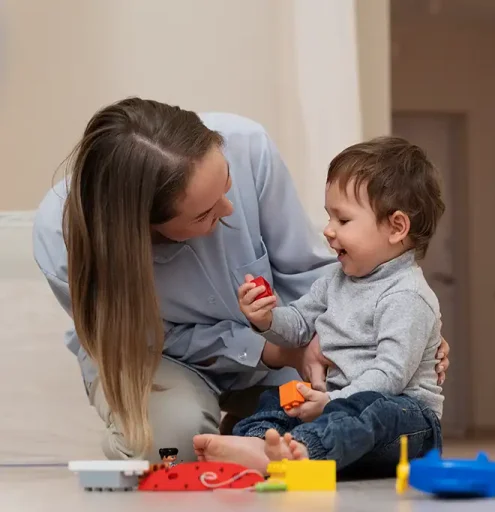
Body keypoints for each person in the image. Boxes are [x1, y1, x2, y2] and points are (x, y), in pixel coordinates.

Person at [31, 97, 451, 463]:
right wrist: (271, 347)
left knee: (323, 412)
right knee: (171, 448)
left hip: (298, 360)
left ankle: (253, 439)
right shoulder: (61, 239)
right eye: (204, 214)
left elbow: (311, 276)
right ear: (145, 227)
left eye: (227, 184)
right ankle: (241, 440)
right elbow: (144, 338)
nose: (229, 209)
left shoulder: (247, 144)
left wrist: (388, 334)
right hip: (155, 355)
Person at [193, 136, 445, 477]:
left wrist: (331, 403)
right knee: (279, 398)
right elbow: (299, 324)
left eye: (343, 220)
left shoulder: (407, 295)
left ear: (396, 227)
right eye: (329, 218)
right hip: (338, 404)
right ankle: (258, 442)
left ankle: (301, 451)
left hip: (407, 420)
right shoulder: (336, 280)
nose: (328, 231)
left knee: (373, 412)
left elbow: (390, 376)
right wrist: (266, 319)